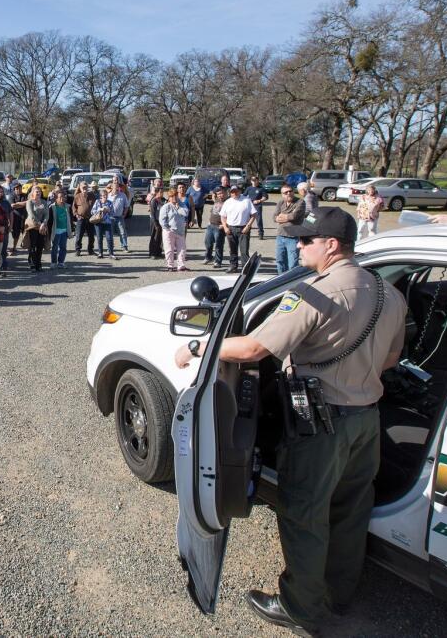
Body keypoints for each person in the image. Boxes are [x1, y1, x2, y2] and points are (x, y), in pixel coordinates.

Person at [173, 207, 407, 636]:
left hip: (320, 423)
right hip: (366, 420)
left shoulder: (314, 293)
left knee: (304, 512)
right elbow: (391, 359)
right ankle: (339, 591)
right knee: (352, 508)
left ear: (331, 246)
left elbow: (253, 351)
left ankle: (300, 608)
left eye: (306, 240)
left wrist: (198, 345)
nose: (297, 245)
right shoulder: (388, 292)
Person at [220, 186, 257, 273]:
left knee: (244, 250)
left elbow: (254, 215)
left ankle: (245, 268)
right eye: (232, 192)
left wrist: (248, 226)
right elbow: (223, 216)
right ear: (230, 193)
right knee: (232, 250)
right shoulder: (227, 202)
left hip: (243, 229)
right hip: (230, 229)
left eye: (236, 191)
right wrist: (225, 227)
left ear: (240, 191)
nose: (234, 193)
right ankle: (233, 266)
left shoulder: (246, 201)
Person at [273, 185, 306, 274]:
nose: (289, 193)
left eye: (290, 191)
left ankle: (292, 284)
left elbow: (294, 216)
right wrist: (288, 217)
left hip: (293, 237)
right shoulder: (280, 202)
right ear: (282, 194)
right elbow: (274, 217)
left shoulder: (300, 202)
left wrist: (283, 216)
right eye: (285, 192)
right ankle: (281, 281)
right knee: (280, 261)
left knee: (292, 264)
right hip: (280, 236)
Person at [159, 189, 189, 272]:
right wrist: (167, 228)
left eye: (175, 195)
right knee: (169, 249)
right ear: (169, 198)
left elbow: (186, 213)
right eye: (172, 196)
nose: (174, 198)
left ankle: (181, 265)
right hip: (169, 231)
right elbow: (162, 220)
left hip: (180, 231)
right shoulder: (166, 207)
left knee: (182, 249)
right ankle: (170, 265)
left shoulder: (182, 205)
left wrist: (178, 207)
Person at [42, 188, 73, 269]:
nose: (62, 199)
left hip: (64, 230)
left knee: (63, 248)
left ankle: (61, 262)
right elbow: (49, 221)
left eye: (63, 197)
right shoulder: (52, 207)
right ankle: (53, 262)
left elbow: (70, 218)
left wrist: (71, 228)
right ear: (56, 198)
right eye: (60, 197)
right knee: (55, 247)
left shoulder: (67, 206)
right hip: (56, 231)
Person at [21, 186, 49, 271]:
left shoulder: (44, 202)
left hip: (42, 227)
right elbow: (31, 214)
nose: (38, 193)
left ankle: (38, 264)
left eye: (39, 191)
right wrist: (40, 223)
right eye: (36, 191)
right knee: (32, 246)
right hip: (33, 226)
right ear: (32, 193)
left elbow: (47, 214)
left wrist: (44, 223)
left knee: (40, 246)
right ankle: (32, 263)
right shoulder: (29, 202)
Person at [202, 187, 227, 267]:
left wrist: (224, 225)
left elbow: (231, 215)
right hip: (211, 225)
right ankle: (208, 257)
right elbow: (213, 194)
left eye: (222, 193)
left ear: (225, 193)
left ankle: (218, 261)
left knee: (218, 245)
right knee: (208, 243)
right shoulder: (216, 201)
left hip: (219, 227)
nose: (220, 195)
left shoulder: (228, 203)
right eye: (218, 194)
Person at [91, 189, 117, 260]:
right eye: (103, 195)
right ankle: (100, 253)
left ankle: (111, 254)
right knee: (99, 238)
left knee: (109, 238)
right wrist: (100, 209)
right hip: (98, 223)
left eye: (106, 195)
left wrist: (109, 210)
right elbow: (92, 212)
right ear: (100, 196)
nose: (104, 197)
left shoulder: (110, 203)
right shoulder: (97, 202)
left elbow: (113, 213)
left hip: (107, 223)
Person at [72, 182, 96, 255]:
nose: (85, 188)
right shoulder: (77, 196)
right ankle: (78, 250)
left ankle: (90, 250)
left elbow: (96, 205)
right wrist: (76, 215)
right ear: (80, 188)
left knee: (91, 236)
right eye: (83, 187)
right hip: (81, 219)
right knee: (79, 236)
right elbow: (74, 207)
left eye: (86, 187)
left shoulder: (92, 195)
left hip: (90, 219)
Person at [109, 181, 131, 252]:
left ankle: (124, 246)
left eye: (117, 186)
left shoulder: (123, 195)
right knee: (110, 233)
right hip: (110, 217)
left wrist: (124, 214)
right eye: (115, 186)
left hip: (120, 217)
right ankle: (110, 247)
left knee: (122, 232)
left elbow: (127, 206)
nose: (116, 188)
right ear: (111, 187)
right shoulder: (108, 196)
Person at [147, 179, 165, 259]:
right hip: (155, 221)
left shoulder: (163, 200)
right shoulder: (154, 201)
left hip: (162, 222)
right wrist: (155, 224)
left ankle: (158, 252)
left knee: (160, 237)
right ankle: (152, 253)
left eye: (162, 192)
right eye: (160, 192)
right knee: (154, 237)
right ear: (157, 193)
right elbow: (152, 213)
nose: (162, 193)